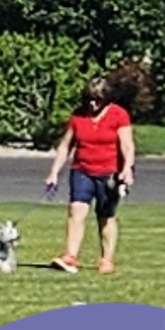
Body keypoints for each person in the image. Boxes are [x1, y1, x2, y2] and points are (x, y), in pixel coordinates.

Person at [44, 76, 136, 274]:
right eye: (89, 99)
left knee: (105, 216)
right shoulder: (78, 116)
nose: (93, 104)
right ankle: (70, 257)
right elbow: (65, 146)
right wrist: (54, 172)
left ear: (106, 98)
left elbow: (127, 146)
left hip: (109, 173)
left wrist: (127, 168)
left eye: (97, 100)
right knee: (75, 212)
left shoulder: (118, 115)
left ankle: (106, 260)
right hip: (82, 170)